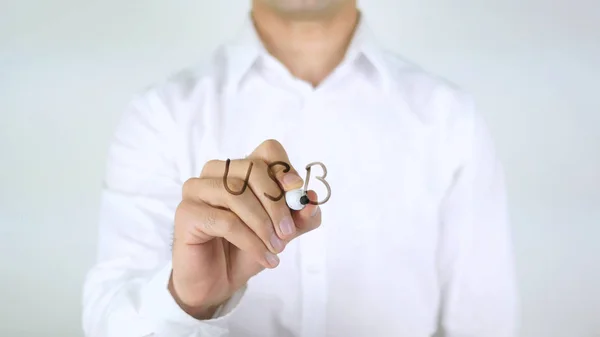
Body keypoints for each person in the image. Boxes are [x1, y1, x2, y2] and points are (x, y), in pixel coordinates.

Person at [82, 0, 518, 336]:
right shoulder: (161, 116)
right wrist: (187, 301)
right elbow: (108, 322)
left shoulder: (451, 120)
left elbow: (485, 325)